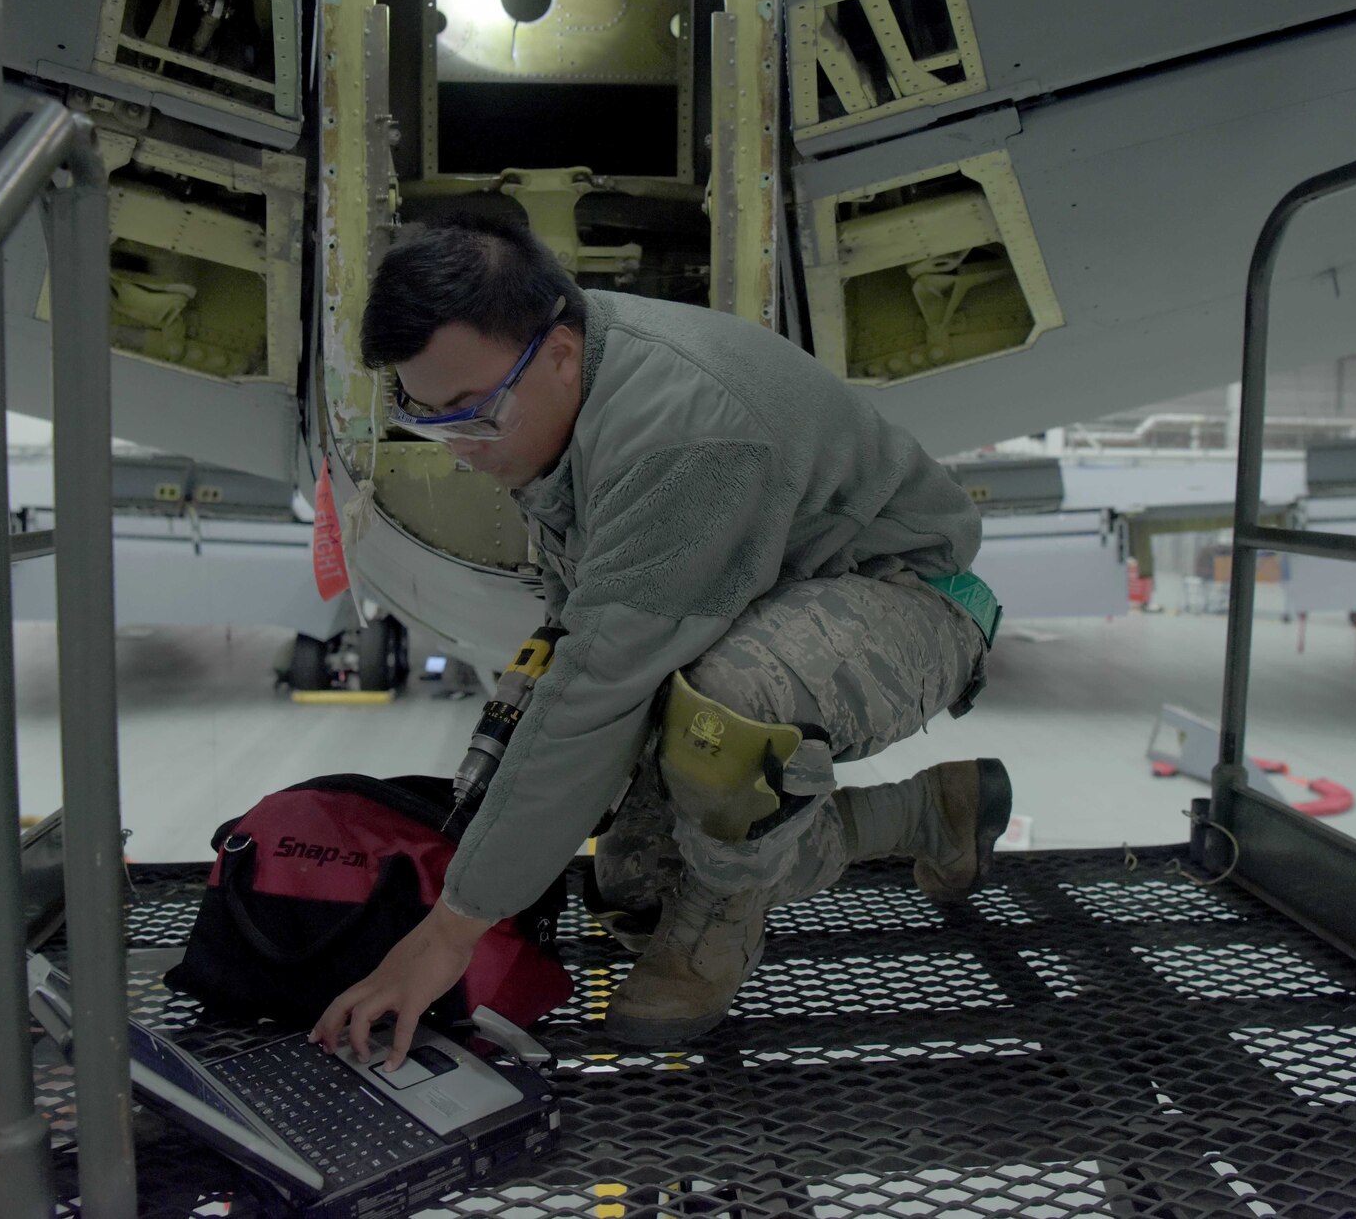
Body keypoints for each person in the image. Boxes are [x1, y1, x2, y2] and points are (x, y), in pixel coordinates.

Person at [310, 211, 1011, 1067]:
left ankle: (719, 931)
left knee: (730, 712)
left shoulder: (680, 436)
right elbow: (579, 642)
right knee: (639, 878)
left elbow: (602, 684)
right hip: (765, 599)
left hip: (913, 598)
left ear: (559, 354)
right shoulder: (559, 374)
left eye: (472, 416)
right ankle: (928, 812)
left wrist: (452, 928)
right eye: (430, 419)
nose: (460, 450)